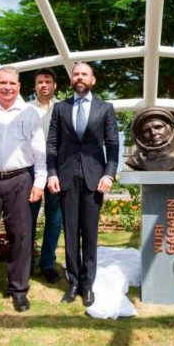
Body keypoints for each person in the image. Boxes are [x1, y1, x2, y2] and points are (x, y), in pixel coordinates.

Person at [47, 62, 120, 307]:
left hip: (94, 179)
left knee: (89, 234)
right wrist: (51, 173)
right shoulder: (60, 108)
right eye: (76, 74)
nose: (80, 77)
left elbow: (112, 144)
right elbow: (52, 144)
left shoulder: (106, 108)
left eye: (84, 74)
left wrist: (109, 174)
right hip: (66, 178)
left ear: (93, 79)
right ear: (71, 80)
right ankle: (74, 282)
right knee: (70, 233)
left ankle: (88, 284)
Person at [0, 66, 46, 313]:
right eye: (3, 83)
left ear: (19, 87)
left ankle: (18, 290)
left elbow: (39, 151)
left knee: (22, 236)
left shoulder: (30, 112)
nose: (7, 87)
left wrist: (39, 183)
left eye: (12, 84)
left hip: (20, 179)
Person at [29, 68, 64, 284]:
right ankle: (26, 262)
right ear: (35, 86)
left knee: (55, 220)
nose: (44, 85)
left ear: (54, 85)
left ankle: (47, 263)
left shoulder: (64, 109)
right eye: (40, 82)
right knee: (27, 221)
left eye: (48, 81)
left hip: (57, 174)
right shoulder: (24, 110)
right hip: (30, 173)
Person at [125, 107, 174, 171]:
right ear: (140, 136)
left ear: (171, 129)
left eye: (158, 127)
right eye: (146, 131)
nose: (153, 133)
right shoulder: (136, 162)